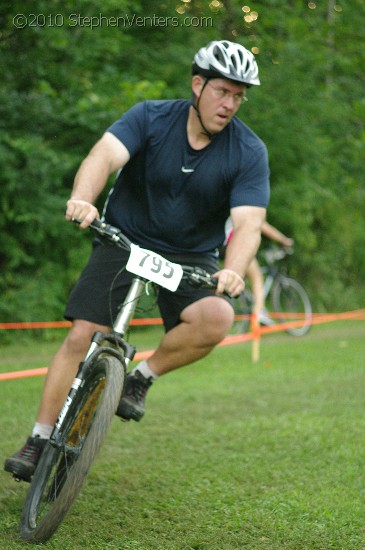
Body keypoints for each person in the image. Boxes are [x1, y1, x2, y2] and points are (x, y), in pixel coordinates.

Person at [4, 40, 270, 482]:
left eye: (239, 96)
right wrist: (82, 200)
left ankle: (140, 378)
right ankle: (38, 438)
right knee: (84, 335)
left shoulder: (248, 151)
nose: (230, 104)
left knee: (216, 318)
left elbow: (249, 223)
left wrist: (234, 270)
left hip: (189, 255)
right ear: (198, 84)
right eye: (223, 91)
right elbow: (103, 156)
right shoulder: (151, 116)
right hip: (125, 238)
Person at [224, 218, 294, 324]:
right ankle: (260, 312)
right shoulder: (248, 208)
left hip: (225, 246)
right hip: (236, 245)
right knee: (257, 276)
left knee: (242, 277)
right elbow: (263, 226)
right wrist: (284, 240)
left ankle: (248, 303)